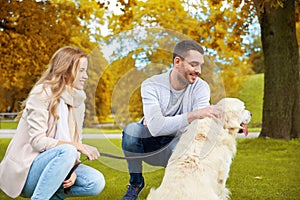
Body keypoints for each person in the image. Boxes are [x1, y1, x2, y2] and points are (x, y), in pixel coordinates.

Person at [121, 40, 222, 200]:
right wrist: (193, 115)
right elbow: (155, 129)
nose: (199, 71)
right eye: (194, 64)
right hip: (150, 146)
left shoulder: (201, 88)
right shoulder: (151, 85)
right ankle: (136, 183)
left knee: (189, 146)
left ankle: (180, 191)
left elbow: (201, 127)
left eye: (200, 65)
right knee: (132, 131)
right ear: (177, 62)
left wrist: (163, 123)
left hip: (178, 145)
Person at [0, 46, 105, 200]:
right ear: (66, 70)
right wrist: (76, 147)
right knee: (68, 149)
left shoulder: (78, 103)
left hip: (57, 163)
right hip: (27, 171)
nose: (86, 76)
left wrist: (71, 169)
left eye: (86, 70)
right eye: (81, 70)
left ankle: (49, 194)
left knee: (95, 182)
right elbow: (38, 141)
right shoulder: (42, 93)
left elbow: (76, 141)